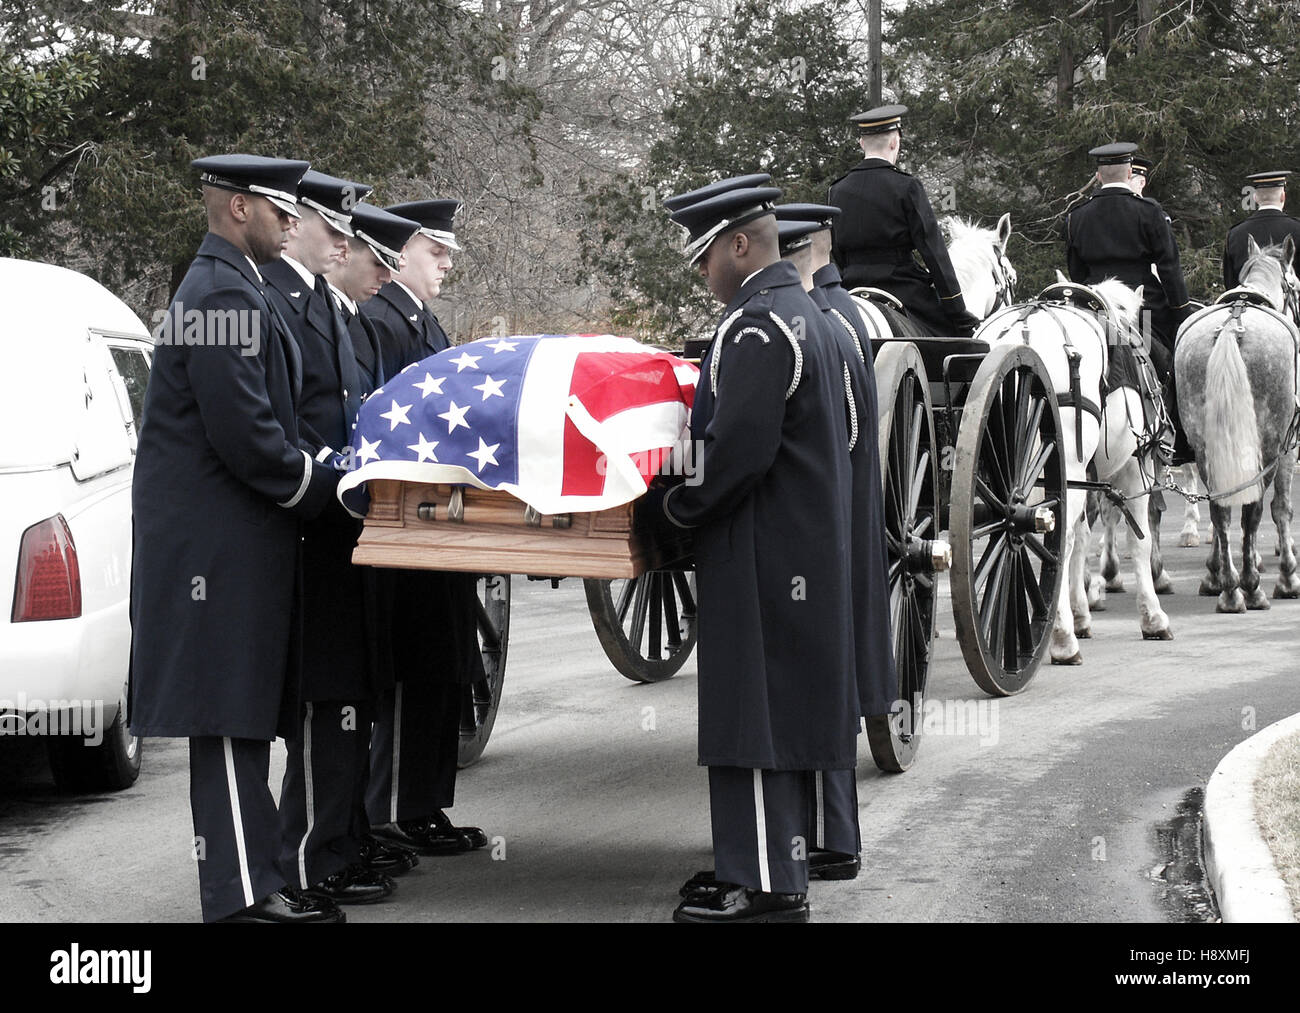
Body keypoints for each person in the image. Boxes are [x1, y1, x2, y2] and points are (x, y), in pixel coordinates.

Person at [128, 154, 344, 924]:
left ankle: (259, 881)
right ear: (239, 209)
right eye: (281, 211)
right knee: (224, 718)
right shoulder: (220, 291)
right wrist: (325, 489)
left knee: (243, 714)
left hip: (234, 545)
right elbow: (248, 436)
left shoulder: (240, 285)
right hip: (210, 556)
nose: (294, 223)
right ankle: (239, 895)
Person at [655, 175, 858, 923]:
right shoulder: (803, 312)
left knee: (753, 716)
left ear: (739, 245)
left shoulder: (755, 328)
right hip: (796, 546)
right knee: (780, 712)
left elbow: (731, 452)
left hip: (761, 549)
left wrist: (671, 504)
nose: (704, 274)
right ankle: (766, 864)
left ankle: (767, 884)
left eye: (706, 257)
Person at [261, 173, 419, 905]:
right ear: (296, 224)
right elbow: (282, 420)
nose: (347, 242)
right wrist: (328, 480)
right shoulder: (280, 302)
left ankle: (340, 839)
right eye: (335, 227)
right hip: (313, 531)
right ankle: (308, 855)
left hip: (345, 525)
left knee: (351, 692)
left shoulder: (328, 304)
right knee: (329, 699)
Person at [359, 199, 490, 858]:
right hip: (410, 527)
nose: (444, 263)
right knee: (411, 670)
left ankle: (422, 804)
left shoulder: (421, 322)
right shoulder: (383, 322)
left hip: (439, 527)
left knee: (440, 664)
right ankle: (388, 812)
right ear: (400, 252)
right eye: (435, 251)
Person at [1066, 141, 1192, 460]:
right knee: (1170, 362)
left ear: (1098, 175)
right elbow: (1169, 267)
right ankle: (1175, 438)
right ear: (1128, 170)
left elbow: (1076, 271)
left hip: (1092, 307)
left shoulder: (1077, 215)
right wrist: (1181, 313)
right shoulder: (1148, 211)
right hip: (1140, 308)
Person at [828, 104, 981, 337]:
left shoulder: (836, 190)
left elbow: (836, 250)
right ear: (894, 142)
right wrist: (956, 309)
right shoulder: (907, 186)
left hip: (850, 288)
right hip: (903, 290)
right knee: (958, 338)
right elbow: (933, 252)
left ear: (861, 143)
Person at [1223, 171, 1300, 292]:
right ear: (1283, 196)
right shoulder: (1297, 228)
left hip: (1245, 305)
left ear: (1255, 198)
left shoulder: (1235, 234)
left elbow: (1230, 284)